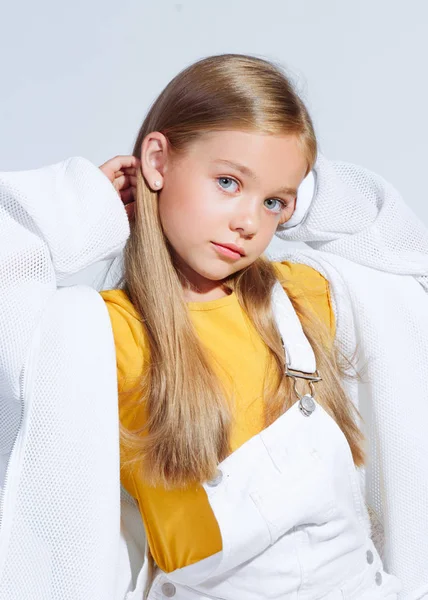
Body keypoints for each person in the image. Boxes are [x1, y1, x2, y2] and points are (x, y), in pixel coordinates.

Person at [2, 53, 427, 599]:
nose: (249, 222)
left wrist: (309, 197)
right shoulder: (108, 334)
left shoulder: (298, 302)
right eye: (228, 182)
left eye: (272, 201)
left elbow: (411, 264)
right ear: (157, 160)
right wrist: (84, 207)